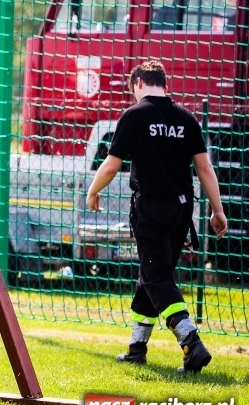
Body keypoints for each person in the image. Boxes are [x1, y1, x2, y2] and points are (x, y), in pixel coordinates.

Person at [86, 60, 228, 373]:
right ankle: (137, 348)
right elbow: (204, 167)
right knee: (152, 274)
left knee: (157, 276)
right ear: (163, 83)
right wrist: (217, 211)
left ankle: (191, 342)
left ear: (138, 83)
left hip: (151, 208)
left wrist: (92, 191)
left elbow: (111, 165)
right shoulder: (186, 118)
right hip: (181, 209)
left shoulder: (135, 115)